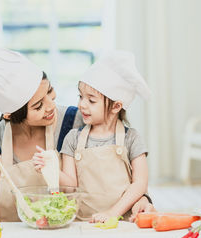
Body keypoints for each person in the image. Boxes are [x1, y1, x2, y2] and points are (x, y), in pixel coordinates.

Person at [0, 46, 154, 221]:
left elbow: (121, 174)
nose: (51, 105)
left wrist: (143, 199)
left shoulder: (77, 121)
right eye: (38, 105)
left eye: (50, 91)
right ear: (9, 114)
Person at [52, 50, 151, 223]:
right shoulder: (73, 138)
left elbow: (140, 184)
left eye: (91, 100)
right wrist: (51, 168)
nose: (81, 104)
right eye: (80, 96)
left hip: (122, 222)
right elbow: (70, 187)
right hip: (84, 222)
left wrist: (113, 213)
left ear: (116, 106)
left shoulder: (131, 138)